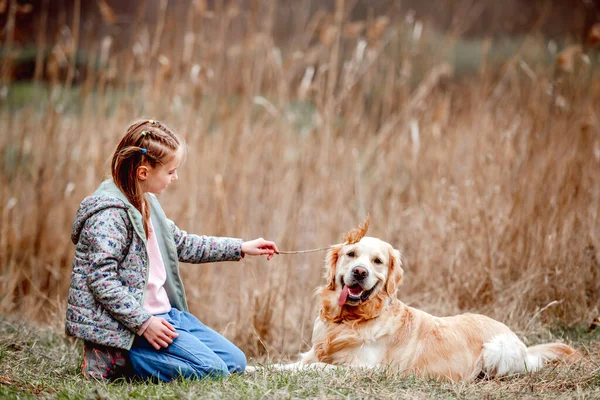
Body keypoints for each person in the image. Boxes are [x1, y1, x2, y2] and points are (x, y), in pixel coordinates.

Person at [65, 119, 279, 382]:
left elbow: (183, 244)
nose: (175, 177)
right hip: (131, 325)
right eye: (170, 171)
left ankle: (146, 354)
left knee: (235, 362)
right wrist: (143, 323)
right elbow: (101, 280)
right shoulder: (109, 215)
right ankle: (117, 356)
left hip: (166, 315)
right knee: (213, 371)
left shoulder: (147, 203)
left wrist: (241, 247)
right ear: (143, 172)